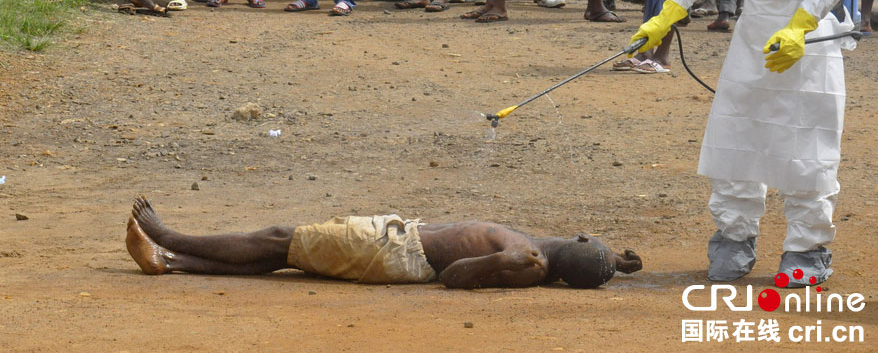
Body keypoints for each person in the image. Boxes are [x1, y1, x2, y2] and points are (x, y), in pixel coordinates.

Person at [632, 0, 856, 286]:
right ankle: (734, 238)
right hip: (752, 36)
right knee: (735, 138)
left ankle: (806, 248)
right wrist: (668, 12)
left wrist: (801, 24)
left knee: (806, 146)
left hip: (807, 43)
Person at [125, 196, 643, 289]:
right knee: (286, 259)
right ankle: (171, 262)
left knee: (281, 241)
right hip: (398, 243)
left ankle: (171, 240)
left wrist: (496, 260)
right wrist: (617, 263)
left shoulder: (529, 265)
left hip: (398, 252)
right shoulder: (550, 250)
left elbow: (453, 278)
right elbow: (594, 254)